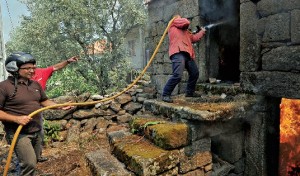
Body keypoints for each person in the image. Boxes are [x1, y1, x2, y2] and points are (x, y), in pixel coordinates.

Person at [0, 52, 73, 175]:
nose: (32, 70)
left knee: (34, 160)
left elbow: (43, 101)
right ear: (14, 68)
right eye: (28, 68)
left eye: (33, 67)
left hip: (36, 130)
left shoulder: (35, 84)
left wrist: (59, 106)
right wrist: (16, 119)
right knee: (29, 163)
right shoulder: (4, 87)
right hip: (19, 132)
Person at [32, 56, 78, 162]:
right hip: (23, 111)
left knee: (39, 132)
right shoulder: (22, 78)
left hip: (38, 108)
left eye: (33, 65)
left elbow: (55, 67)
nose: (32, 68)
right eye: (29, 66)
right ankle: (23, 161)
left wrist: (67, 61)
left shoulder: (41, 72)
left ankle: (37, 156)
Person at [162, 15, 206, 103]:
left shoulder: (186, 32)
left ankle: (190, 92)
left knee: (194, 73)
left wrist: (202, 32)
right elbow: (186, 22)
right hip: (178, 52)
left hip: (187, 53)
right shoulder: (172, 25)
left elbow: (194, 38)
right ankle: (165, 94)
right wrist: (178, 17)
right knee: (177, 75)